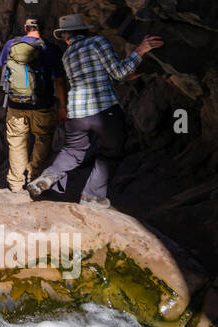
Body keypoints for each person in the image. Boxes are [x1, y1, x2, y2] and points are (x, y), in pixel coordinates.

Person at [25, 13, 164, 208]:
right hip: (104, 111)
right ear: (84, 30)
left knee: (73, 151)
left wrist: (122, 78)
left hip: (76, 114)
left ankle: (48, 176)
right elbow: (118, 72)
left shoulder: (67, 56)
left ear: (66, 36)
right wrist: (141, 50)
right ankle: (92, 196)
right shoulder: (97, 42)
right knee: (111, 153)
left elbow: (97, 77)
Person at [0, 18, 67, 193]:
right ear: (42, 29)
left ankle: (15, 183)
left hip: (15, 104)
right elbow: (59, 81)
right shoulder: (50, 49)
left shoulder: (10, 45)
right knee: (43, 139)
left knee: (16, 142)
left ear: (25, 28)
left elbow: (4, 70)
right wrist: (63, 106)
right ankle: (34, 176)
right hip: (42, 105)